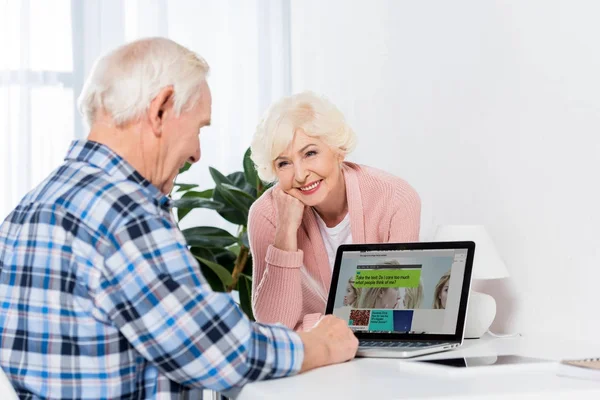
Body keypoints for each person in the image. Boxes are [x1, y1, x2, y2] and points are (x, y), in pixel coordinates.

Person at [0, 38, 358, 399]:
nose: (197, 154)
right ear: (161, 109)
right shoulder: (124, 213)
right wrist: (321, 346)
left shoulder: (28, 210)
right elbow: (216, 349)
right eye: (199, 128)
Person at [248, 91, 421, 331]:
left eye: (310, 153)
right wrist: (286, 231)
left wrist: (317, 324)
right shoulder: (266, 214)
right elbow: (273, 327)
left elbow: (395, 315)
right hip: (309, 361)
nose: (299, 175)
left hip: (382, 358)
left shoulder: (395, 199)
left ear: (338, 150)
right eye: (284, 163)